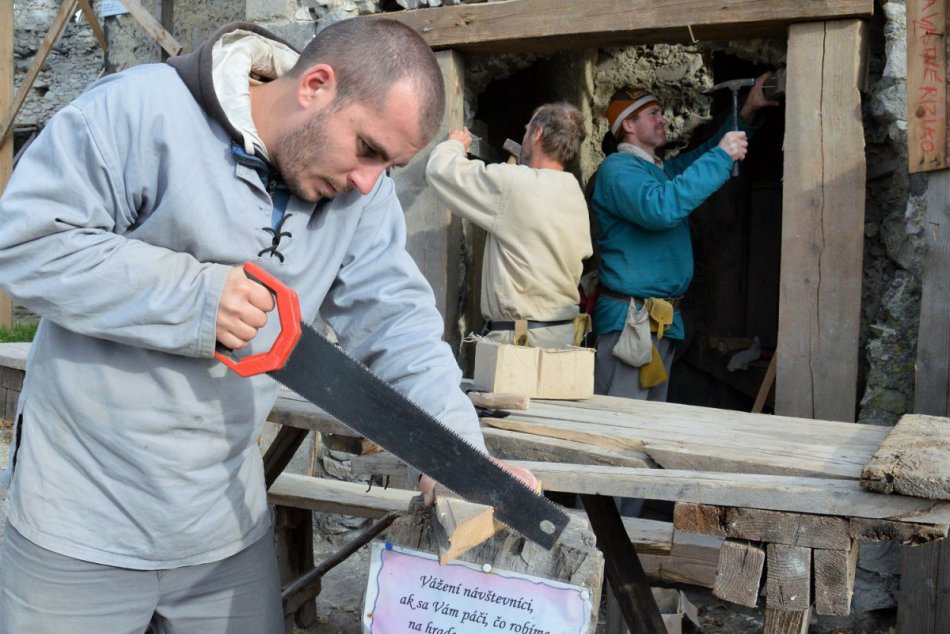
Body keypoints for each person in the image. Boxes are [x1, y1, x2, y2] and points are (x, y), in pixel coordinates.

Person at [0, 18, 534, 633]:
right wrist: (196, 297)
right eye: (367, 148)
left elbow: (399, 322)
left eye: (388, 165)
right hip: (78, 522)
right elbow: (26, 242)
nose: (368, 181)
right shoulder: (140, 111)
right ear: (315, 85)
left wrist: (457, 453)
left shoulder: (361, 195)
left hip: (222, 525)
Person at [590, 74, 777, 401]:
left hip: (657, 323)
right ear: (629, 125)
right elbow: (660, 208)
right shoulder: (618, 170)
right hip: (630, 325)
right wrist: (722, 156)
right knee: (619, 425)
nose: (663, 119)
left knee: (645, 424)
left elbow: (706, 152)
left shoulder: (657, 170)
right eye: (653, 114)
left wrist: (746, 110)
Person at [425, 103, 593, 349]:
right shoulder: (573, 191)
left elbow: (441, 172)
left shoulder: (515, 184)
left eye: (526, 131)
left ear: (538, 133)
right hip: (562, 339)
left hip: (519, 344)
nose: (525, 136)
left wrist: (454, 145)